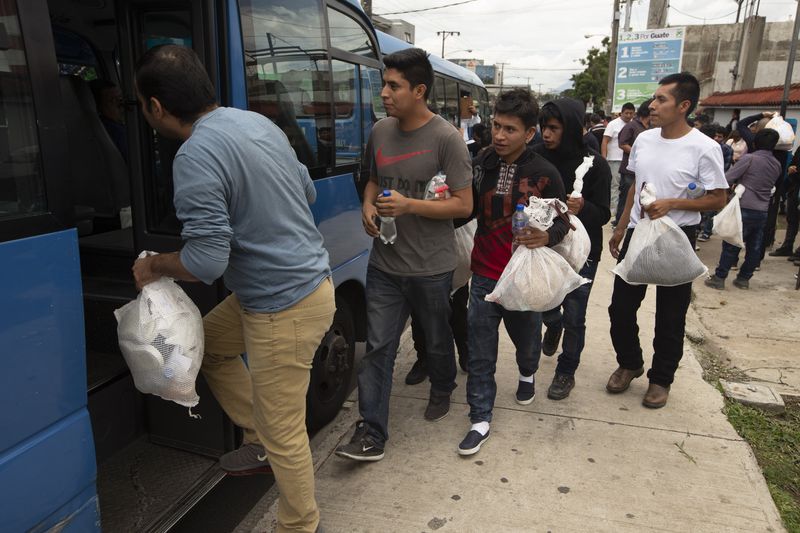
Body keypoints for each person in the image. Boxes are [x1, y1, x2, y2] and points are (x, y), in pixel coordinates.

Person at [130, 45, 335, 533]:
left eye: (140, 104)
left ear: (156, 107)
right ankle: (258, 437)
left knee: (287, 433)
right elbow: (306, 192)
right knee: (211, 346)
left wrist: (154, 265)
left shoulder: (195, 155)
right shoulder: (257, 123)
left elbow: (205, 260)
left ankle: (299, 525)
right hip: (302, 288)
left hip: (280, 308)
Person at [334, 48, 473, 462]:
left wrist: (411, 206)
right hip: (384, 264)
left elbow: (464, 205)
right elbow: (374, 179)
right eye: (385, 85)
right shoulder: (380, 131)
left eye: (394, 86)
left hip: (431, 266)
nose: (385, 94)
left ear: (419, 90)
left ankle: (443, 385)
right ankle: (372, 433)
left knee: (435, 336)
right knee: (378, 347)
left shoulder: (447, 139)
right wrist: (367, 204)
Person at [607, 72, 727, 409]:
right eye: (654, 98)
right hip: (637, 232)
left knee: (670, 315)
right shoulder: (644, 140)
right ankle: (630, 362)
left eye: (662, 99)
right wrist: (619, 226)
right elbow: (635, 184)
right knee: (620, 307)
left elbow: (718, 198)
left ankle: (661, 379)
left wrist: (673, 203)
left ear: (684, 106)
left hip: (677, 236)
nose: (653, 105)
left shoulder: (705, 148)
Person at [458, 88, 568, 456]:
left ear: (529, 133)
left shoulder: (545, 173)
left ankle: (527, 372)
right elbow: (468, 210)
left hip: (523, 275)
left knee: (526, 340)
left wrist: (547, 235)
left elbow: (564, 221)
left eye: (510, 129)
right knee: (480, 350)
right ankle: (480, 417)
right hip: (485, 273)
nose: (500, 136)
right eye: (496, 126)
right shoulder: (481, 162)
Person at [533, 98, 611, 400]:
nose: (547, 134)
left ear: (573, 129)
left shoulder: (595, 165)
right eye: (543, 128)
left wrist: (583, 207)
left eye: (553, 128)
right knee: (544, 304)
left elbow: (603, 213)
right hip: (546, 247)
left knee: (575, 315)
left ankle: (566, 371)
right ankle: (553, 326)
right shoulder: (536, 157)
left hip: (583, 253)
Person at [705, 129, 782, 290]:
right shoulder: (776, 164)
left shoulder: (750, 159)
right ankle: (744, 279)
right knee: (755, 246)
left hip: (743, 206)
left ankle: (719, 278)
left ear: (754, 143)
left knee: (732, 243)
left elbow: (728, 178)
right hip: (762, 210)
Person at [615, 99, 651, 227]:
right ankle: (619, 222)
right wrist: (639, 154)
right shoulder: (632, 126)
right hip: (629, 169)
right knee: (626, 197)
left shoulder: (652, 127)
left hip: (645, 170)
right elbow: (622, 143)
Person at [602, 102, 635, 225]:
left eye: (631, 113)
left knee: (626, 188)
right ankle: (613, 210)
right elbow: (605, 141)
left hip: (628, 161)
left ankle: (622, 211)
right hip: (614, 159)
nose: (628, 115)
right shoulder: (613, 124)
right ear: (621, 112)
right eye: (626, 113)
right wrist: (604, 157)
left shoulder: (633, 125)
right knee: (614, 185)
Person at [89, 79, 128, 162]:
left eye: (120, 98)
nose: (121, 104)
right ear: (97, 108)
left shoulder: (93, 127)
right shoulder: (115, 131)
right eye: (112, 101)